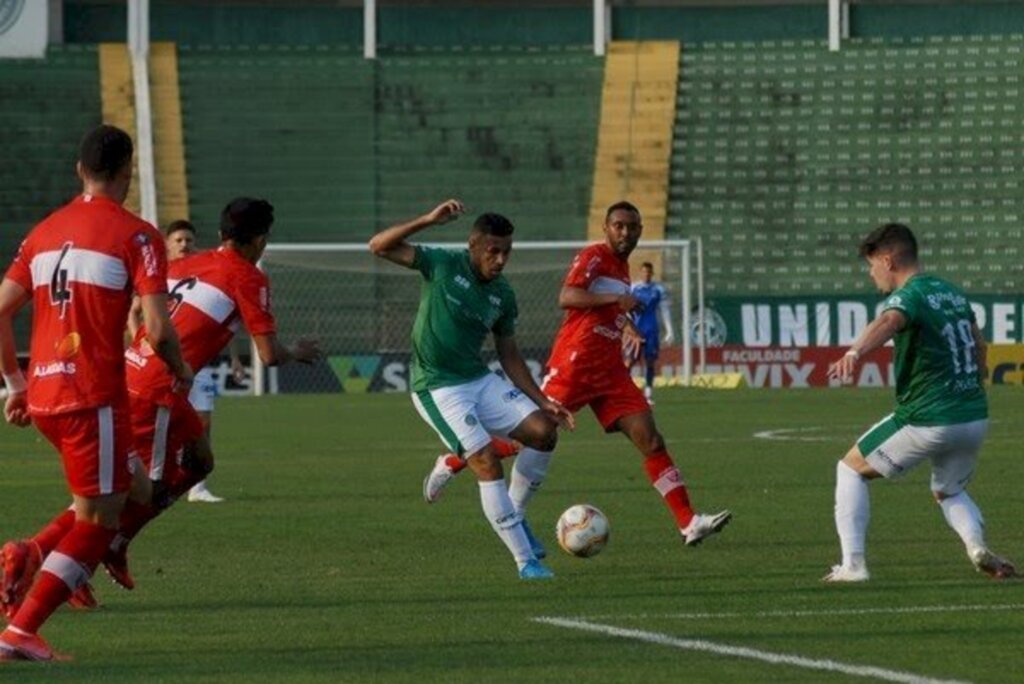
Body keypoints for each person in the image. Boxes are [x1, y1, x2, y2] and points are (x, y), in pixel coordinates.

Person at [424, 202, 731, 548]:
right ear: (606, 228)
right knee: (535, 434)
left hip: (610, 371)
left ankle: (688, 522)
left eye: (632, 227)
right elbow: (567, 296)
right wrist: (619, 300)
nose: (625, 233)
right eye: (618, 226)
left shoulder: (621, 268)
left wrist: (625, 323)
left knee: (651, 439)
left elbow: (607, 307)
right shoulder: (594, 256)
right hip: (576, 363)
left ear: (640, 231)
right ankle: (458, 462)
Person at [0, 125, 192, 661]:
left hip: (43, 396)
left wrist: (14, 383)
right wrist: (179, 369)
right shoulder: (137, 235)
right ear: (128, 173)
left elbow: (0, 309)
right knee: (98, 523)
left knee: (133, 489)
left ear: (78, 170)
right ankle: (20, 632)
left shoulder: (44, 231)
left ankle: (29, 552)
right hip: (91, 396)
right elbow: (157, 326)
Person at [369, 199, 573, 580]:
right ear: (474, 246)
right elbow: (378, 246)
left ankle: (514, 512)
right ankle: (525, 561)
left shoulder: (503, 295)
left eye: (507, 252)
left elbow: (509, 355)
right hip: (437, 387)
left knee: (544, 433)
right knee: (485, 461)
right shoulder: (443, 264)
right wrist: (428, 220)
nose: (500, 260)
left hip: (478, 379)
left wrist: (543, 401)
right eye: (493, 251)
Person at [824, 223, 1016, 582]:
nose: (871, 274)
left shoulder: (910, 295)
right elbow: (979, 346)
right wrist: (969, 386)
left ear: (888, 259)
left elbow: (890, 320)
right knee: (949, 490)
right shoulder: (952, 292)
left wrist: (855, 351)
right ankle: (976, 546)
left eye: (872, 265)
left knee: (849, 469)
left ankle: (853, 565)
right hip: (973, 415)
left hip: (929, 416)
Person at [129, 219, 246, 504]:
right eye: (179, 240)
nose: (184, 245)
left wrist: (234, 360)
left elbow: (219, 325)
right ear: (168, 244)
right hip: (161, 365)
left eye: (189, 240)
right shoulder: (161, 272)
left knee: (203, 421)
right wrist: (142, 343)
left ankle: (198, 487)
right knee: (159, 428)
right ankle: (145, 487)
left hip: (197, 364)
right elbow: (134, 312)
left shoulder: (210, 271)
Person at [630, 261, 674, 404]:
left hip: (651, 330)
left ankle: (648, 393)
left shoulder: (658, 290)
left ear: (652, 273)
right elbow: (626, 310)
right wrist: (626, 329)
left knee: (650, 362)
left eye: (648, 272)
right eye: (644, 272)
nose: (646, 274)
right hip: (636, 330)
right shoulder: (633, 288)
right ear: (640, 272)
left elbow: (664, 310)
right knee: (629, 361)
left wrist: (669, 330)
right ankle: (625, 393)